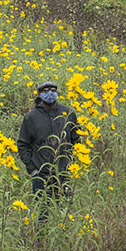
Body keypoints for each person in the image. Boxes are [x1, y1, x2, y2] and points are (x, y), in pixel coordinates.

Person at [16, 81, 80, 224]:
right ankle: (41, 244)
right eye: (46, 90)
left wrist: (73, 164)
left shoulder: (68, 113)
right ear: (39, 94)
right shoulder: (31, 117)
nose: (50, 93)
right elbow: (22, 144)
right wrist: (33, 169)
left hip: (65, 174)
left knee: (67, 214)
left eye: (53, 90)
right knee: (42, 215)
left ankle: (66, 244)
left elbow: (77, 140)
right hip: (42, 175)